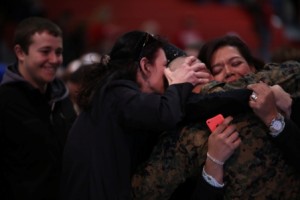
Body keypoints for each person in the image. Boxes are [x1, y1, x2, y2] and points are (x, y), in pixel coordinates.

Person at [132, 35, 300, 199]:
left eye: (236, 63)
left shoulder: (279, 93)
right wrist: (213, 165)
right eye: (217, 70)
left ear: (253, 67)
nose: (228, 72)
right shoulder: (185, 135)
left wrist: (278, 115)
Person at [60, 30, 217, 200]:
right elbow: (166, 114)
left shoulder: (113, 97)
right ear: (145, 66)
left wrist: (247, 95)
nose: (168, 76)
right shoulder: (117, 94)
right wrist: (179, 84)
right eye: (164, 67)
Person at [0, 17, 77, 200]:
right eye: (45, 51)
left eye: (58, 52)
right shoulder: (5, 101)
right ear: (20, 52)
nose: (54, 60)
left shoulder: (62, 99)